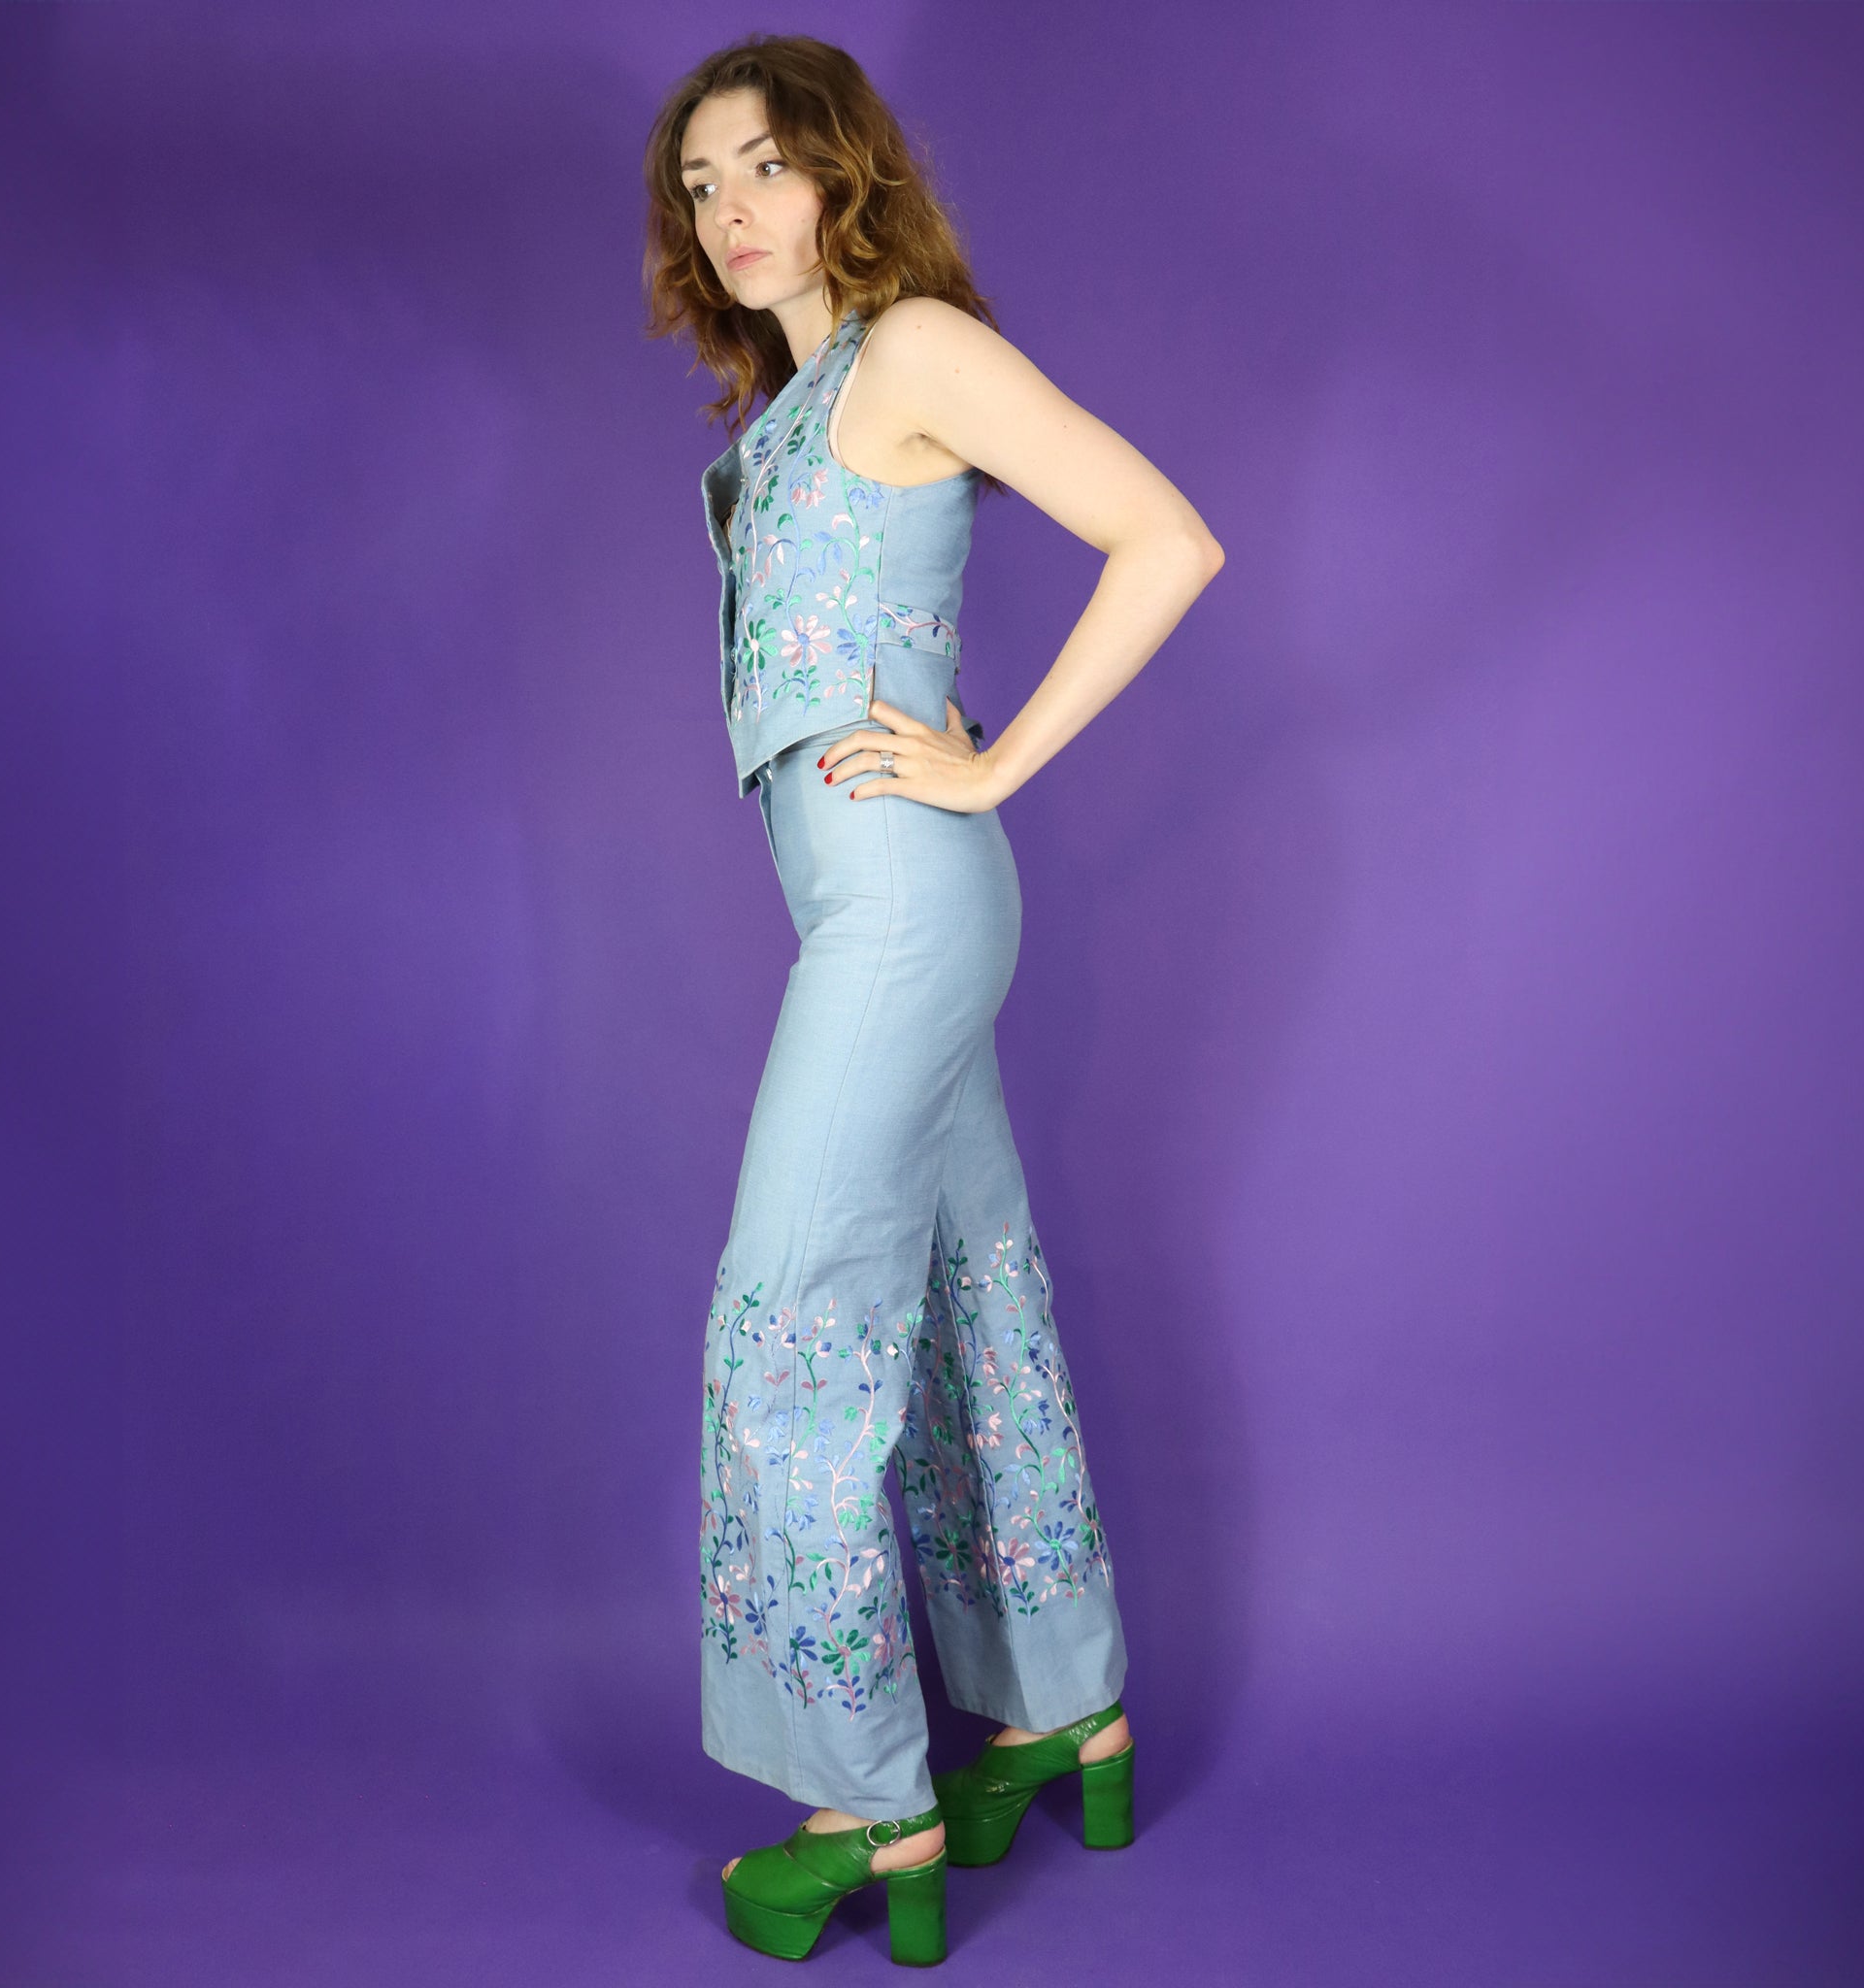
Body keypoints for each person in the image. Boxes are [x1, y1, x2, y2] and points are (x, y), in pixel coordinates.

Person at [642, 34, 1223, 1966]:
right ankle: (1064, 1706)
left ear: (843, 170)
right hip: (876, 908)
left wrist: (992, 765)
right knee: (968, 1297)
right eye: (699, 183)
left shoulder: (910, 349)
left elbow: (1168, 537)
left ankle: (866, 1800)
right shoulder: (789, 414)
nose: (729, 209)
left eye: (761, 165)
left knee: (791, 1315)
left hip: (902, 907)